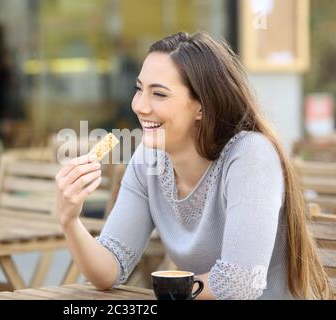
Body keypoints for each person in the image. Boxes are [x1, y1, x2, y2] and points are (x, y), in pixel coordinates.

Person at [54, 31, 333, 300]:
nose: (139, 105)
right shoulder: (147, 161)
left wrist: (168, 291)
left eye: (159, 94)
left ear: (201, 105)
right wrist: (70, 220)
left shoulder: (250, 156)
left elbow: (240, 283)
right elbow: (108, 271)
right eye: (139, 89)